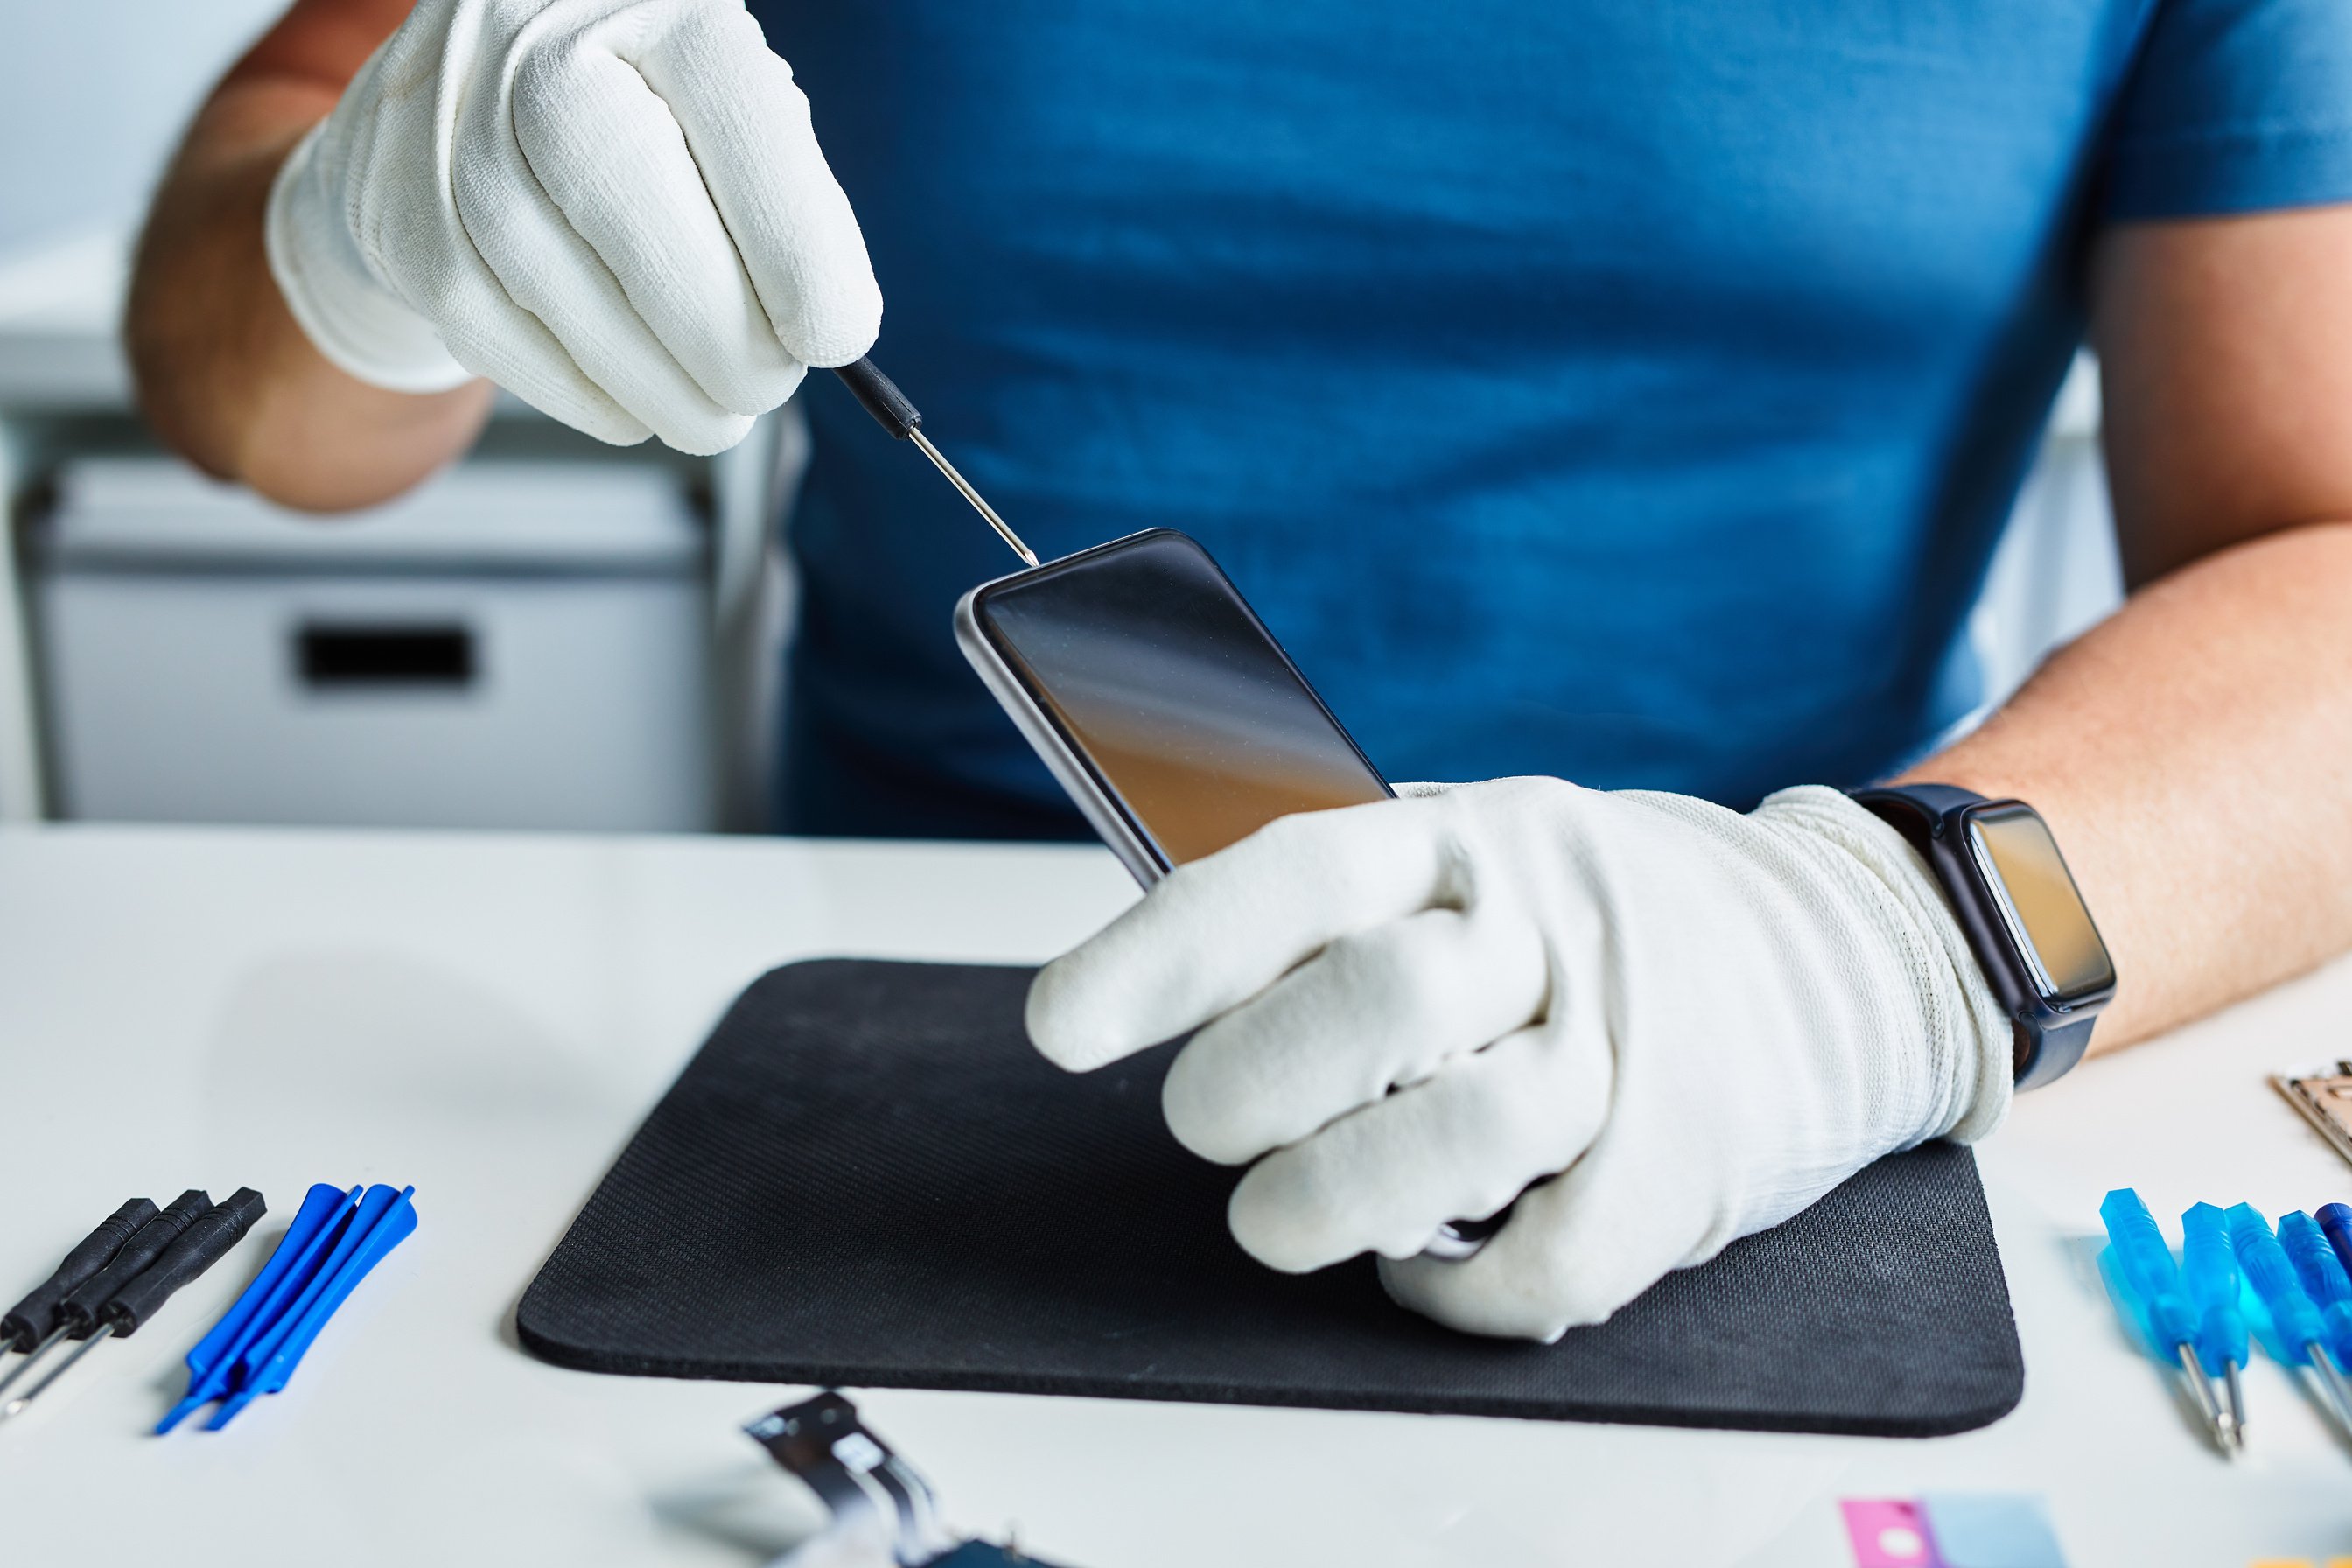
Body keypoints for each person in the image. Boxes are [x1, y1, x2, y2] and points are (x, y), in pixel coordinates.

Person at [130, 0, 2352, 1340]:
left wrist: (1877, 949)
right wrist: (353, 229)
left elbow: (2322, 567)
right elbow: (235, 389)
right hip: (894, 1062)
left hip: (1758, 1066)